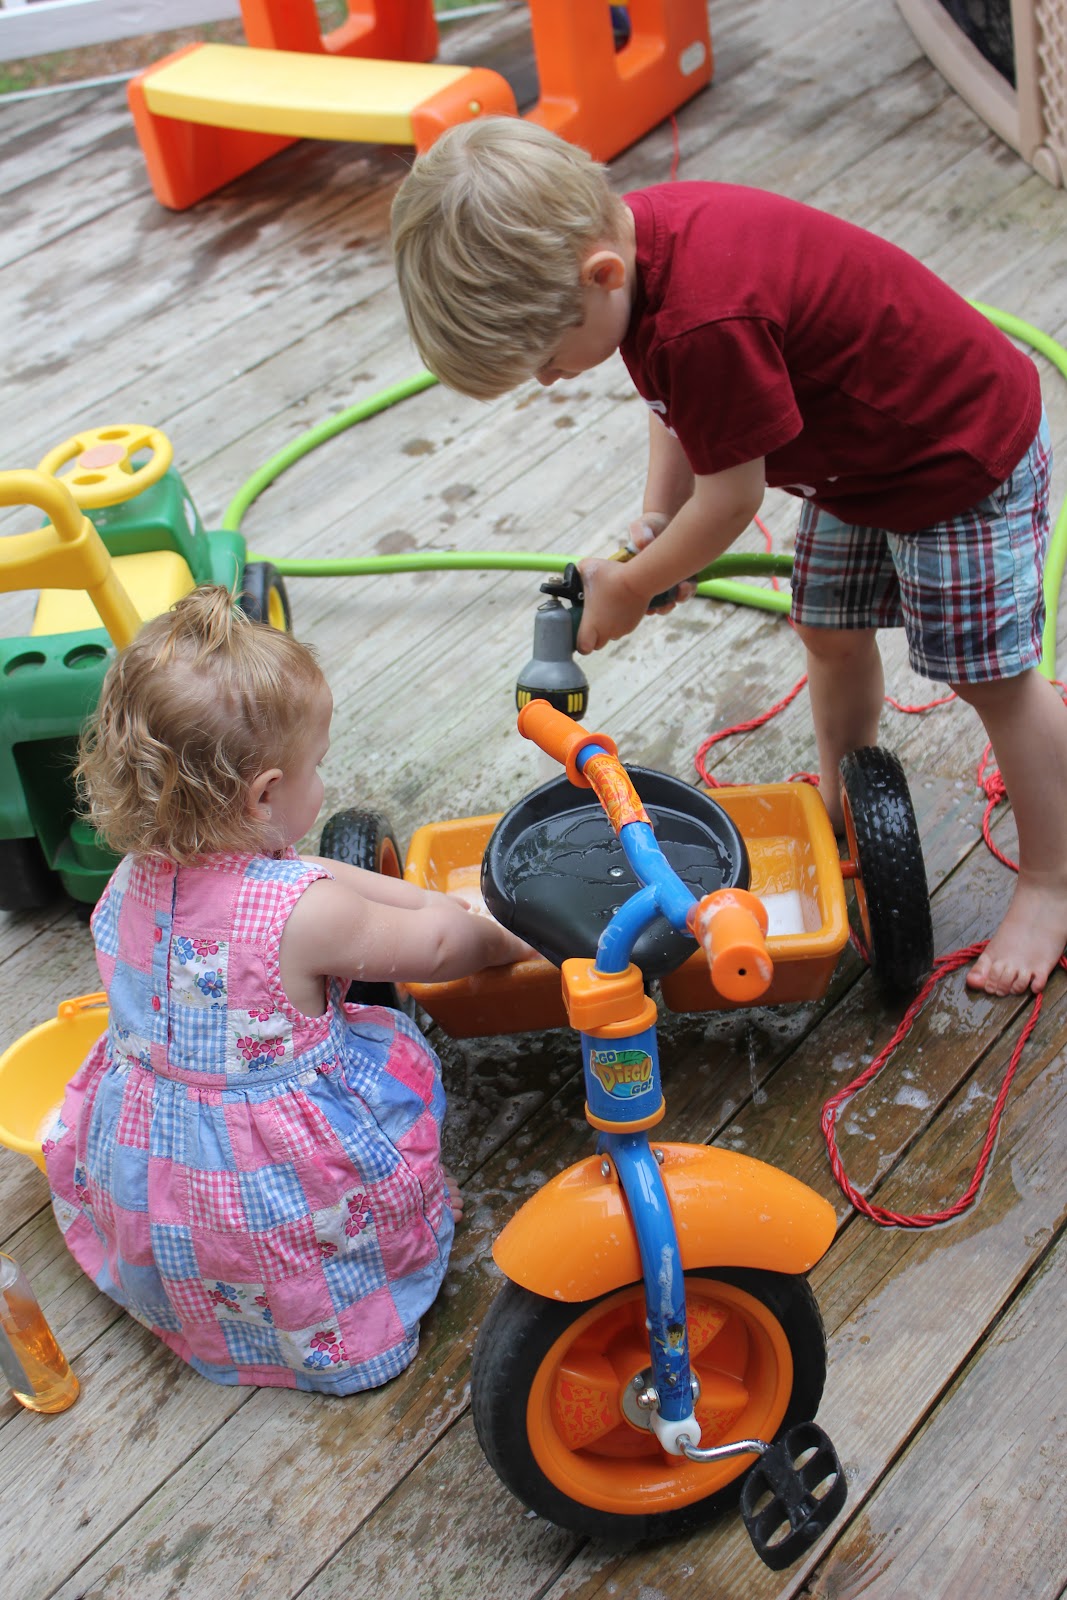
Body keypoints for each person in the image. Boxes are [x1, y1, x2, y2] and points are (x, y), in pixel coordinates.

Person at [391, 116, 1067, 999]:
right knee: (826, 628)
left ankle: (1052, 880)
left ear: (599, 276)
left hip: (955, 456)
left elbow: (733, 498)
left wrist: (631, 586)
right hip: (858, 465)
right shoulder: (637, 254)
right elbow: (674, 408)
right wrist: (651, 518)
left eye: (548, 364)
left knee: (992, 680)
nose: (553, 380)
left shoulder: (703, 316)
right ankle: (840, 799)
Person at [44, 586, 532, 1393]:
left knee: (212, 1234)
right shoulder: (301, 915)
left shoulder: (135, 876)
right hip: (271, 1181)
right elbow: (439, 947)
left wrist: (422, 898)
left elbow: (324, 880)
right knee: (319, 1224)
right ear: (265, 794)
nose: (323, 779)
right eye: (318, 766)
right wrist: (498, 932)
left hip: (159, 1165)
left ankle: (199, 1308)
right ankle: (337, 1340)